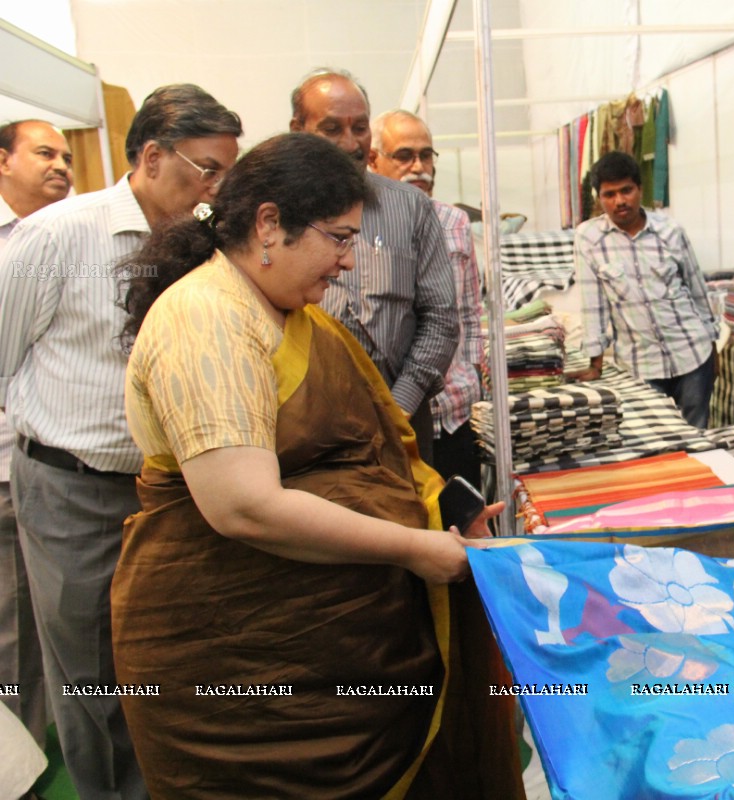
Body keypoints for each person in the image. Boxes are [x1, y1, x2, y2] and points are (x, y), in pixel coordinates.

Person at [114, 132, 517, 798]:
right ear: (269, 223)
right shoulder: (207, 319)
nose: (348, 261)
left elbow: (369, 448)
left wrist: (446, 509)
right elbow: (244, 505)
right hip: (237, 665)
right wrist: (415, 549)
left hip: (335, 651)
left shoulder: (291, 315)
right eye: (337, 238)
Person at [0, 85, 241, 799]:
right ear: (152, 156)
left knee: (168, 657)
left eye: (226, 170)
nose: (215, 187)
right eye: (206, 169)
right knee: (91, 670)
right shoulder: (58, 237)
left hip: (169, 488)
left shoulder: (203, 244)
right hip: (72, 489)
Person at [290, 69, 458, 464]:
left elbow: (441, 318)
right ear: (298, 129)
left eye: (360, 128)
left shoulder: (410, 207)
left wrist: (398, 407)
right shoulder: (277, 209)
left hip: (402, 421)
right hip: (307, 429)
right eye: (331, 128)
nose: (349, 143)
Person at [0, 118, 72, 751]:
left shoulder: (73, 237)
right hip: (10, 465)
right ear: (3, 161)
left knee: (56, 626)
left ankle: (43, 739)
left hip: (59, 469)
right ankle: (20, 765)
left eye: (67, 155)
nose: (61, 165)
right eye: (45, 153)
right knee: (14, 625)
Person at [370, 109, 485, 488]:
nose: (418, 166)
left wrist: (468, 377)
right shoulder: (362, 224)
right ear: (374, 160)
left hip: (452, 412)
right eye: (404, 156)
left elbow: (468, 313)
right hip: (392, 416)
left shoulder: (455, 222)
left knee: (462, 521)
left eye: (426, 155)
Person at [573, 151, 718, 428]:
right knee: (653, 440)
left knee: (696, 437)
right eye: (609, 194)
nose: (620, 201)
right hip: (640, 364)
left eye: (626, 190)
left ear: (640, 189)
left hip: (693, 354)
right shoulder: (588, 238)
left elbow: (697, 290)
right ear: (599, 198)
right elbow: (593, 304)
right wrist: (596, 363)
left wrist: (713, 349)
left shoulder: (671, 230)